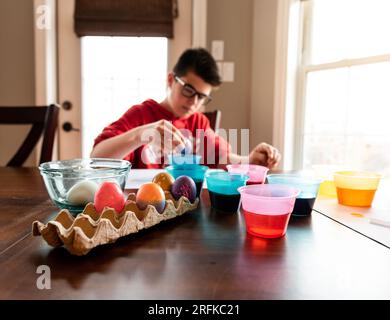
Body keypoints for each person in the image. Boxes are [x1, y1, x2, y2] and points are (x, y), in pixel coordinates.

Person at [91, 48, 281, 169]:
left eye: (202, 97)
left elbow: (221, 158)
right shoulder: (142, 115)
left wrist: (249, 160)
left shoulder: (198, 121)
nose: (193, 102)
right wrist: (140, 134)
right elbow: (97, 157)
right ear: (171, 80)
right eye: (189, 90)